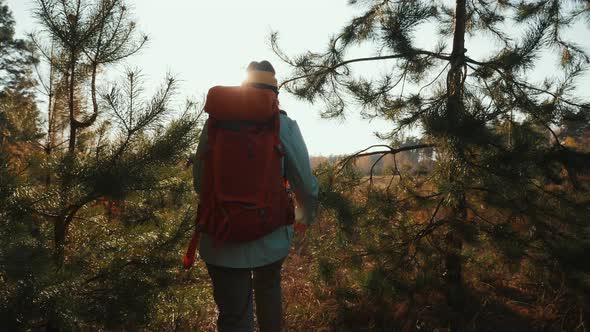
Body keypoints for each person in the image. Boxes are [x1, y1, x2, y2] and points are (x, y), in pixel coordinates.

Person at [192, 60, 319, 332]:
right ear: (274, 93)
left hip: (221, 238)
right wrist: (304, 215)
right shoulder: (284, 125)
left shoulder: (213, 125)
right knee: (269, 288)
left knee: (235, 315)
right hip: (270, 237)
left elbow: (200, 183)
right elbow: (305, 186)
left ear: (243, 88)